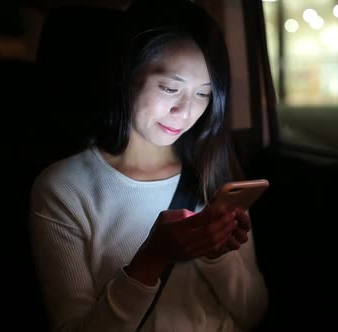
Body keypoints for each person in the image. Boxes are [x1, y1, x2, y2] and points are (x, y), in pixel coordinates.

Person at [28, 1, 268, 331]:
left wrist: (216, 255)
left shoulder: (213, 172)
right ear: (126, 74)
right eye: (170, 88)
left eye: (203, 94)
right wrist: (151, 259)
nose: (184, 112)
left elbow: (252, 312)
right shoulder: (65, 189)